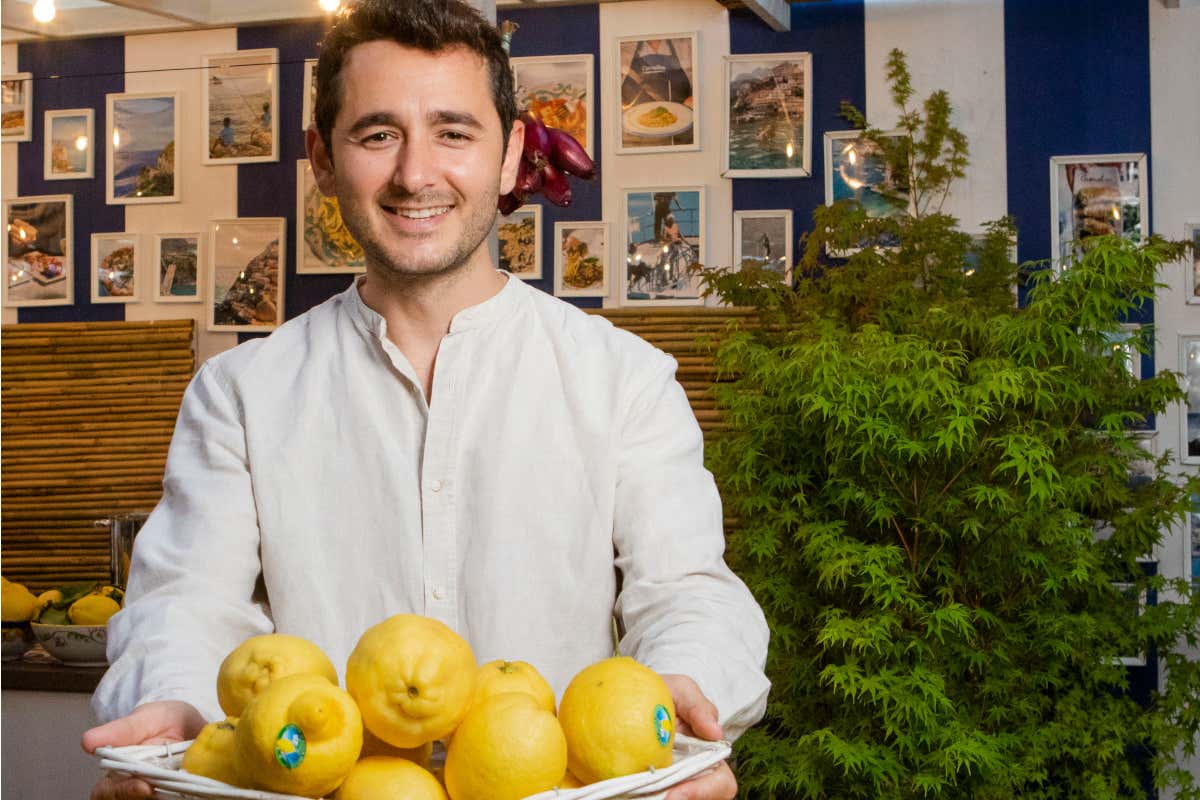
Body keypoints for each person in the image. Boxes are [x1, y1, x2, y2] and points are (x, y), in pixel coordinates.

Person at [81, 2, 769, 799]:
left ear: (510, 154)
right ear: (322, 160)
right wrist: (175, 706)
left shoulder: (624, 380)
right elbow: (187, 603)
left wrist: (684, 693)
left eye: (454, 132)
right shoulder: (239, 395)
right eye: (378, 134)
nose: (415, 174)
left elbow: (685, 589)